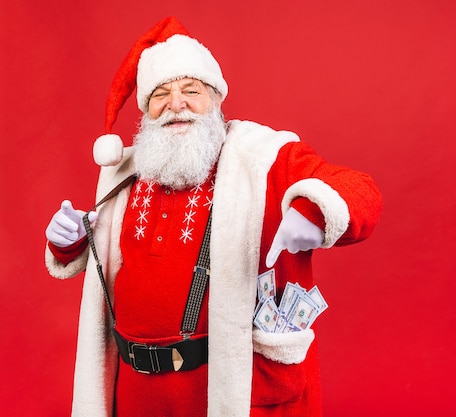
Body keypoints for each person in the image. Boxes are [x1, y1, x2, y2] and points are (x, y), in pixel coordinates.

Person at [44, 16, 382, 417]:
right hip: (133, 392)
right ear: (146, 112)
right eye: (160, 95)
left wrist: (314, 211)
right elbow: (104, 258)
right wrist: (69, 243)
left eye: (191, 90)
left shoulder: (263, 157)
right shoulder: (126, 172)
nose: (176, 103)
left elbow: (362, 191)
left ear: (217, 100)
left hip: (223, 391)